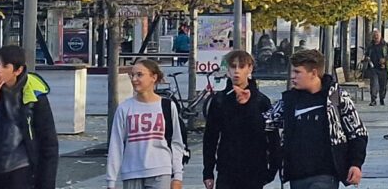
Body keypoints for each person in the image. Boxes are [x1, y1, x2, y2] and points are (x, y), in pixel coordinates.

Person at [265, 49, 367, 189]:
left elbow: (358, 133)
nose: (292, 77)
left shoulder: (336, 98)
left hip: (326, 174)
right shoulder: (289, 100)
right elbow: (265, 123)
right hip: (297, 175)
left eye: (297, 72)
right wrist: (247, 102)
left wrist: (356, 164)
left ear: (313, 73)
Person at [0, 45, 59, 189]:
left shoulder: (34, 94)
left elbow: (49, 142)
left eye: (4, 66)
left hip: (22, 167)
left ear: (18, 70)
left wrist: (46, 183)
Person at [204, 51, 279, 189]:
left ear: (249, 69)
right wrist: (208, 171)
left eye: (241, 66)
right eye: (233, 66)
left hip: (254, 169)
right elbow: (210, 137)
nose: (236, 71)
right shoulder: (220, 100)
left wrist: (272, 168)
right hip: (227, 168)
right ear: (228, 70)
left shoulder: (261, 101)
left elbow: (271, 136)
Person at [107, 60, 186, 189]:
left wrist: (177, 176)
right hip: (132, 172)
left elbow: (176, 142)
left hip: (160, 170)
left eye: (139, 75)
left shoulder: (167, 106)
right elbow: (116, 145)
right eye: (132, 75)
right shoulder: (124, 108)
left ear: (153, 77)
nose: (134, 79)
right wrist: (111, 180)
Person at [363, 31, 388, 107]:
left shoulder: (385, 45)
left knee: (383, 85)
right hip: (373, 68)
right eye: (374, 35)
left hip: (383, 68)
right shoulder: (370, 45)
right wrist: (367, 58)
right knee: (374, 84)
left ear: (380, 36)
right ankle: (373, 100)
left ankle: (382, 98)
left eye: (377, 35)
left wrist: (385, 60)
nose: (376, 37)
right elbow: (366, 54)